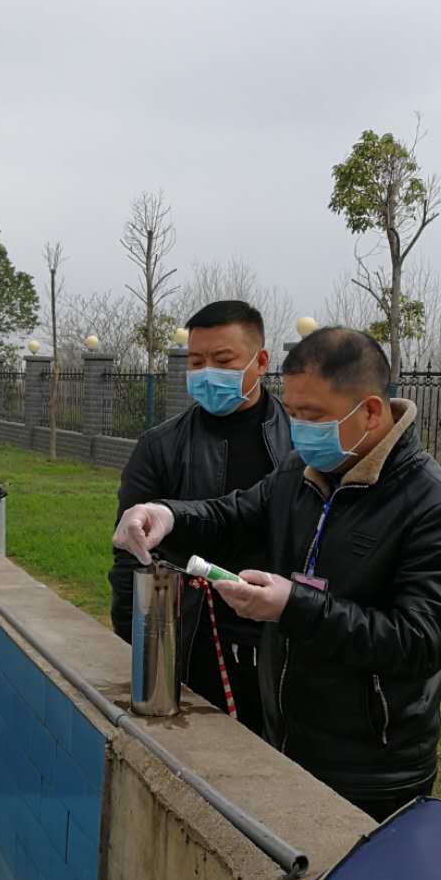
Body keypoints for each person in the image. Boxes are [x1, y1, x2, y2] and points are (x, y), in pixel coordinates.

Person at [112, 326, 441, 821]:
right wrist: (168, 515)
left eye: (314, 417)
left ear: (371, 411)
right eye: (291, 413)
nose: (301, 429)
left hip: (371, 768)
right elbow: (234, 512)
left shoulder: (438, 510)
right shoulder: (299, 474)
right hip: (283, 736)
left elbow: (418, 642)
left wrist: (295, 607)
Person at [109, 300, 291, 735]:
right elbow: (128, 556)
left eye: (223, 360)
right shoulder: (160, 446)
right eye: (196, 361)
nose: (208, 371)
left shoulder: (298, 443)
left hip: (278, 632)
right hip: (193, 634)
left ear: (260, 361)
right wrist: (134, 638)